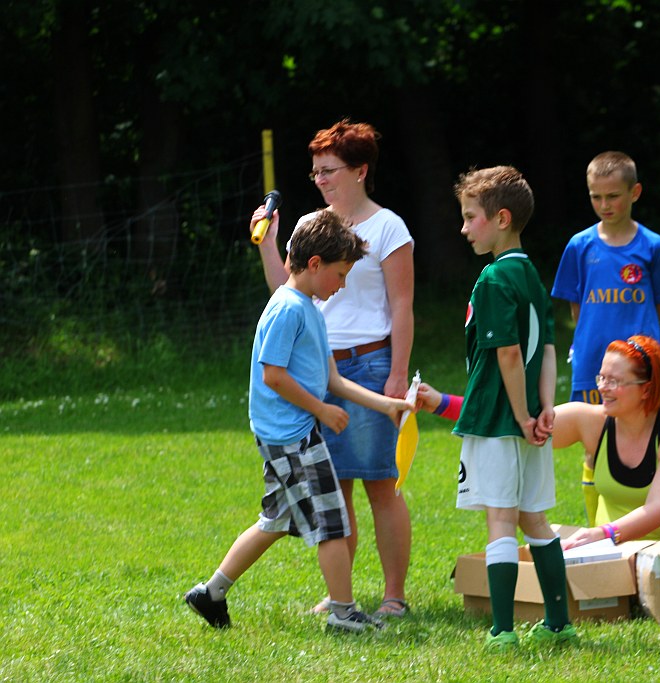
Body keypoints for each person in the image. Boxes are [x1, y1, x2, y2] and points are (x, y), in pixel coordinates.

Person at [184, 210, 411, 634]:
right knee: (332, 523)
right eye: (340, 275)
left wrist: (385, 406)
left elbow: (332, 380)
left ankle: (210, 593)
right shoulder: (287, 309)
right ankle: (343, 613)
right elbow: (273, 375)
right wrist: (321, 411)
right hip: (292, 437)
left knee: (276, 521)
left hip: (293, 434)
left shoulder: (311, 310)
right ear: (314, 264)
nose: (342, 285)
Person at [251, 119, 414, 619]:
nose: (320, 179)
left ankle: (393, 595)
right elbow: (287, 291)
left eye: (329, 170)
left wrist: (397, 374)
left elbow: (402, 305)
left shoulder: (388, 228)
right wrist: (268, 244)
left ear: (360, 171)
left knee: (380, 483)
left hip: (370, 363)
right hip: (315, 371)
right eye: (316, 171)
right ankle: (341, 594)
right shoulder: (310, 225)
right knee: (334, 488)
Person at [417, 335, 660, 550]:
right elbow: (517, 422)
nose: (603, 388)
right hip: (615, 545)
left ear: (646, 389)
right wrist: (440, 403)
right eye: (602, 377)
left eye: (615, 381)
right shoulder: (590, 421)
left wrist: (604, 534)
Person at [452, 166, 578, 649]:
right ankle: (559, 623)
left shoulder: (494, 277)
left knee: (501, 520)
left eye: (471, 218)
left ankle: (502, 631)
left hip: (498, 418)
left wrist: (523, 415)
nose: (464, 228)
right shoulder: (530, 275)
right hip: (530, 420)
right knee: (534, 519)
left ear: (501, 219)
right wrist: (546, 408)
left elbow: (508, 353)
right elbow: (546, 349)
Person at [551, 151, 660, 405]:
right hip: (593, 361)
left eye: (613, 196)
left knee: (645, 428)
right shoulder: (579, 246)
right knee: (594, 429)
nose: (604, 205)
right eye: (596, 197)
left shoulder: (653, 246)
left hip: (641, 364)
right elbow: (577, 310)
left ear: (635, 192)